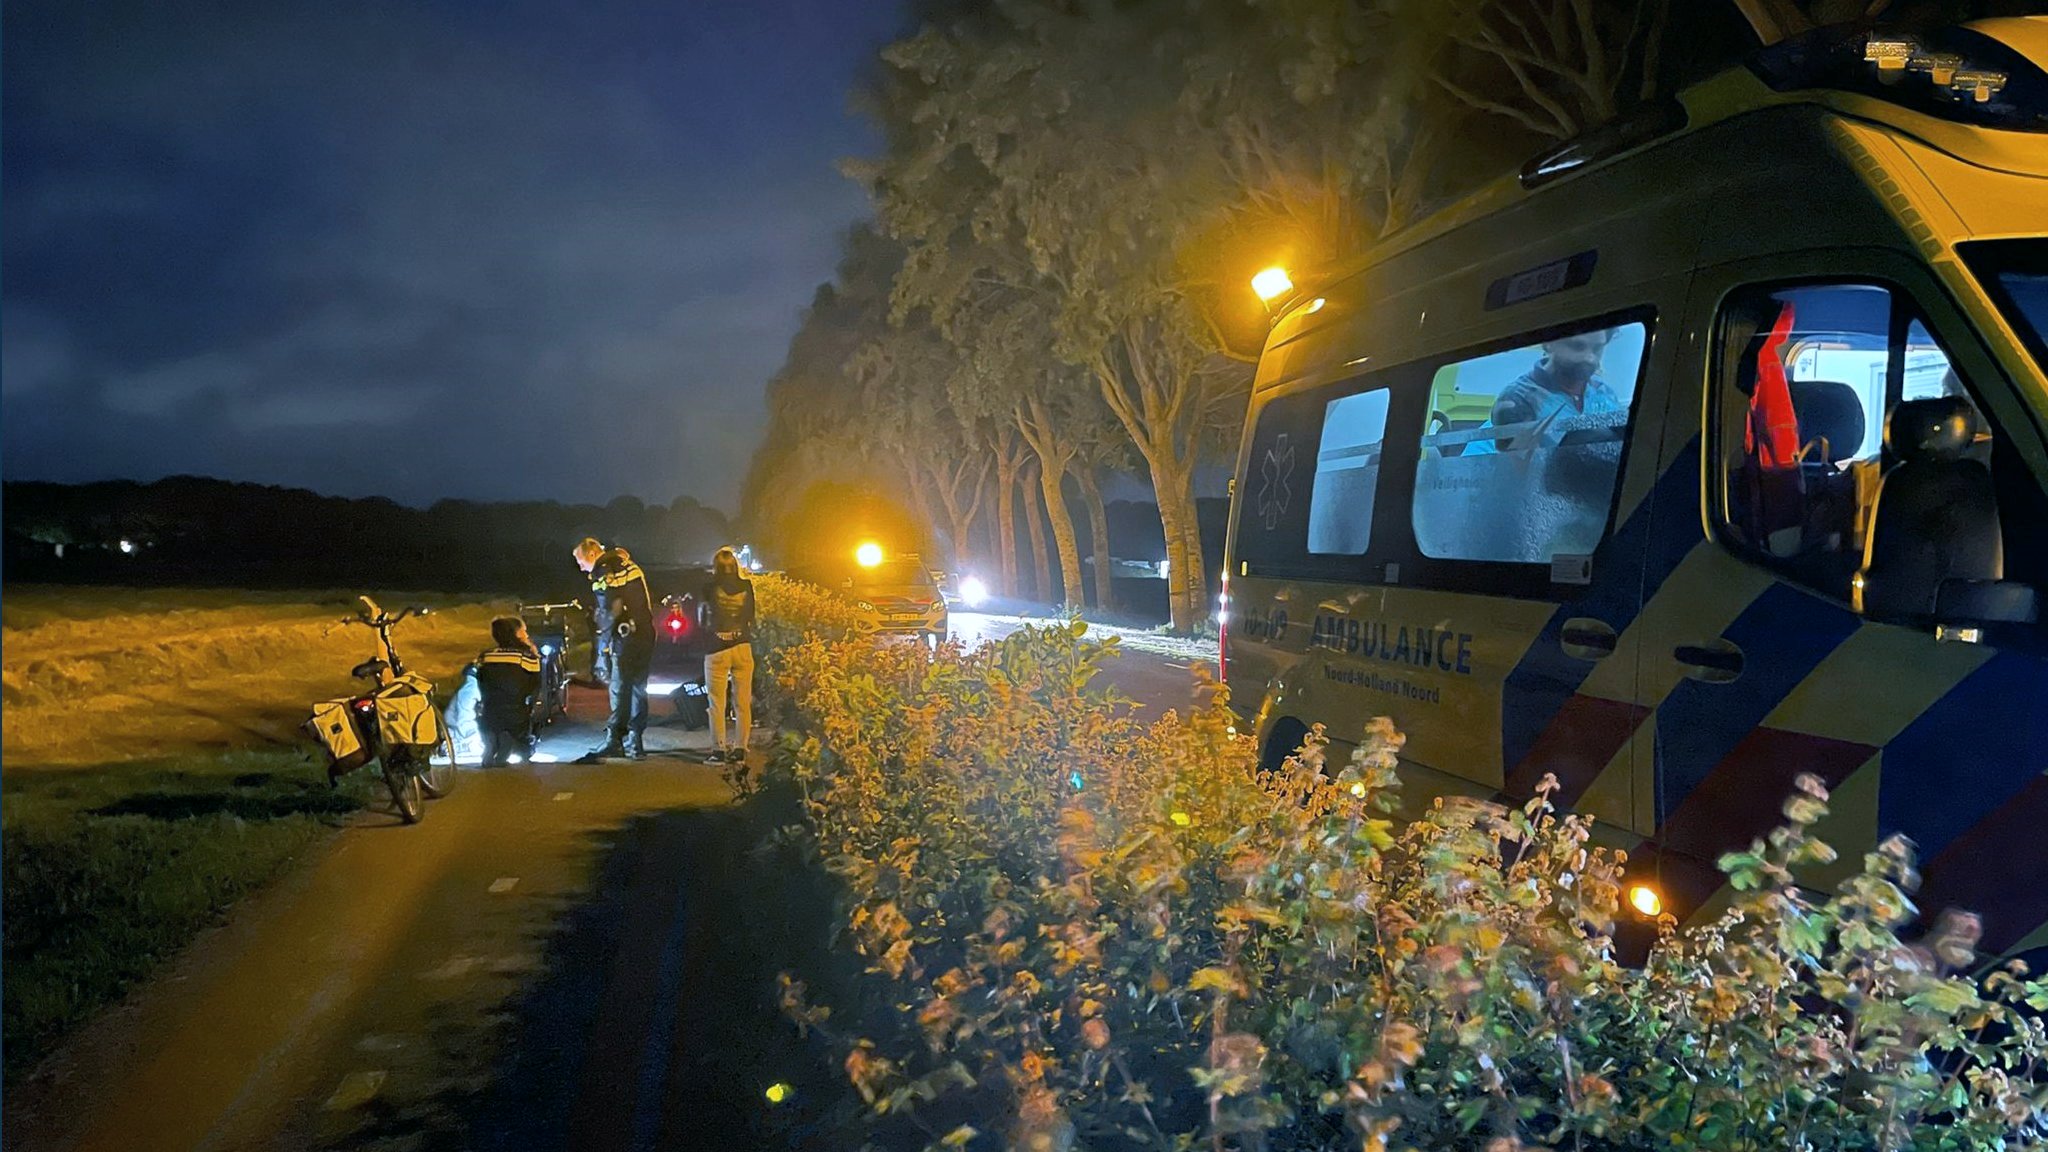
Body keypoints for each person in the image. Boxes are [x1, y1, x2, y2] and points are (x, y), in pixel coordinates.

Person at [1465, 329, 1626, 455]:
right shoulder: (1518, 401)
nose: (1590, 358)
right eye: (1578, 347)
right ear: (1550, 343)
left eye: (1597, 348)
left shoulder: (1605, 394)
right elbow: (1516, 477)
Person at [574, 537, 654, 760]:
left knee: (619, 689)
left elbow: (609, 612)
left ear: (592, 554)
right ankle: (636, 741)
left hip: (623, 638)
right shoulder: (630, 565)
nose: (581, 568)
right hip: (645, 634)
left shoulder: (603, 571)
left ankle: (614, 740)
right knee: (639, 688)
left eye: (581, 561)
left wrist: (602, 649)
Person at [699, 545, 758, 765]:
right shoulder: (747, 585)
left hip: (717, 649)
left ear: (716, 567)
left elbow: (702, 619)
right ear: (735, 565)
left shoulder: (708, 587)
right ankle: (740, 749)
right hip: (742, 646)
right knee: (742, 703)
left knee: (716, 702)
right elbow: (751, 615)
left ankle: (718, 751)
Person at [476, 616, 541, 767]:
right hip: (515, 711)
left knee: (494, 721)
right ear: (517, 633)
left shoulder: (486, 656)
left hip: (490, 709)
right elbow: (534, 684)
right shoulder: (527, 657)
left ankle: (493, 741)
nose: (527, 635)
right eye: (524, 631)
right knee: (521, 724)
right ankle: (511, 744)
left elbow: (480, 679)